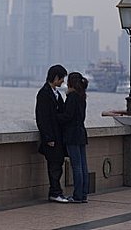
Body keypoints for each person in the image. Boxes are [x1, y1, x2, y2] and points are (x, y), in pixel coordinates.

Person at [35, 64, 68, 203]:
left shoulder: (56, 93)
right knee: (54, 165)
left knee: (58, 164)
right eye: (61, 79)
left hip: (58, 136)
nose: (63, 82)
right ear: (55, 77)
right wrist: (47, 137)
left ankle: (55, 191)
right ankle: (55, 192)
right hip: (51, 138)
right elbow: (41, 117)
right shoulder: (44, 93)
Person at [58, 72, 89, 203]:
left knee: (76, 166)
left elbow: (68, 116)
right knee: (83, 165)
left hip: (72, 135)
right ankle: (83, 195)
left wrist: (55, 116)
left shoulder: (72, 97)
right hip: (81, 133)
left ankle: (77, 196)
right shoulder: (82, 97)